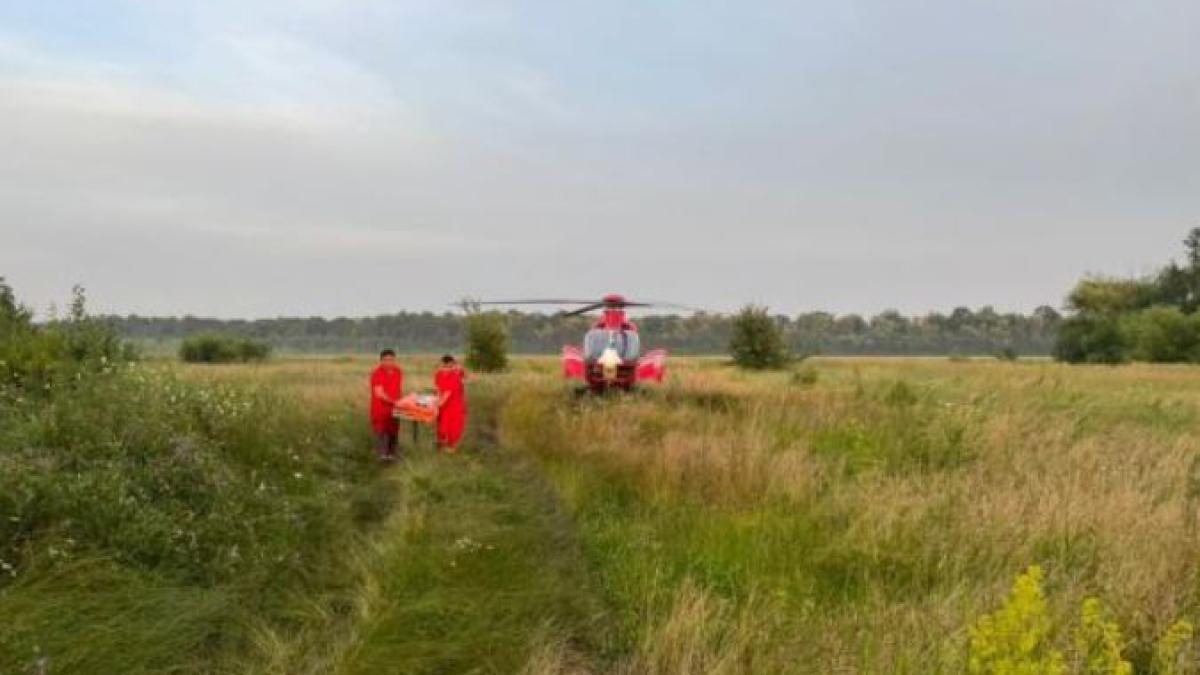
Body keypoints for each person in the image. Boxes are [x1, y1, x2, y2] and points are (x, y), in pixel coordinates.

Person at [369, 349, 404, 461]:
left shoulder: (398, 372)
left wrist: (401, 402)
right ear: (381, 361)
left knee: (394, 433)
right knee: (382, 433)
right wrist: (394, 401)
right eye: (386, 360)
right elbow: (379, 393)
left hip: (395, 409)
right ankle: (382, 457)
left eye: (391, 360)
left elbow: (398, 389)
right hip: (380, 409)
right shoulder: (377, 373)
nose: (389, 363)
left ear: (395, 360)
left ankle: (393, 456)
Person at [434, 354, 467, 453]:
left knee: (453, 429)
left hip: (455, 406)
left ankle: (451, 449)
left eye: (449, 367)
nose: (446, 369)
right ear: (441, 365)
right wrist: (437, 401)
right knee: (442, 427)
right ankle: (441, 446)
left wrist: (434, 407)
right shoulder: (438, 374)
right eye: (444, 366)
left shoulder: (455, 377)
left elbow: (446, 395)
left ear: (453, 366)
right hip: (444, 406)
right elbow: (439, 390)